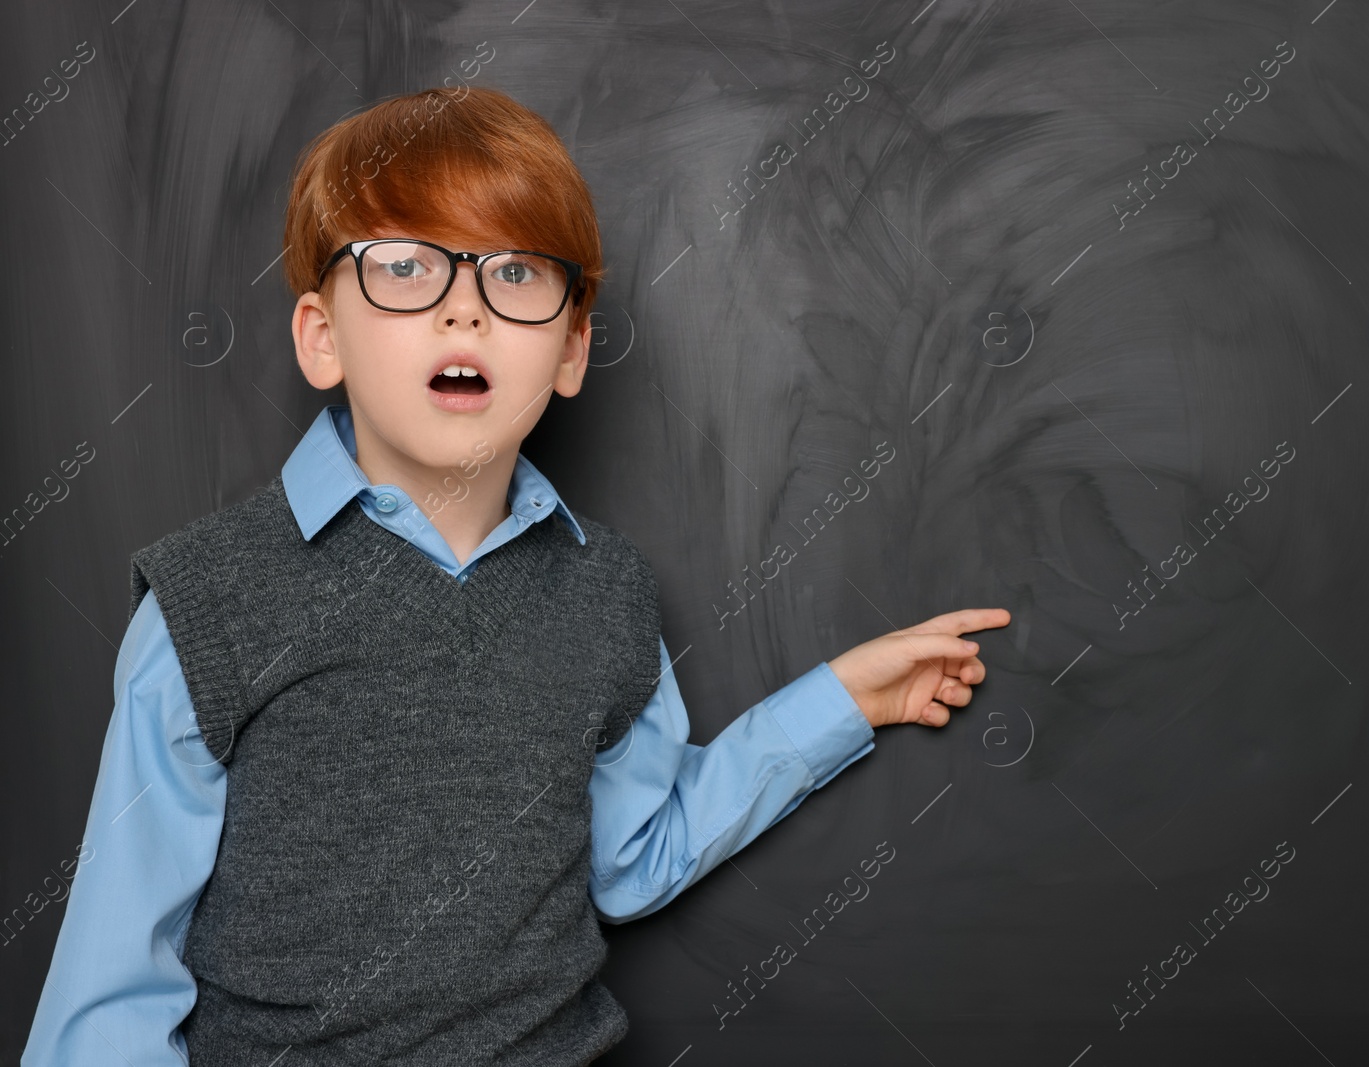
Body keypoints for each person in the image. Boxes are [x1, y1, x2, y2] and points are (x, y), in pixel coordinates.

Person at [21, 85, 1008, 1065]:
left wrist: (837, 702)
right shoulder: (210, 602)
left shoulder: (605, 591)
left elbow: (634, 856)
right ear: (322, 336)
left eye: (517, 274)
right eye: (405, 266)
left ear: (571, 347)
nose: (464, 308)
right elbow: (110, 994)